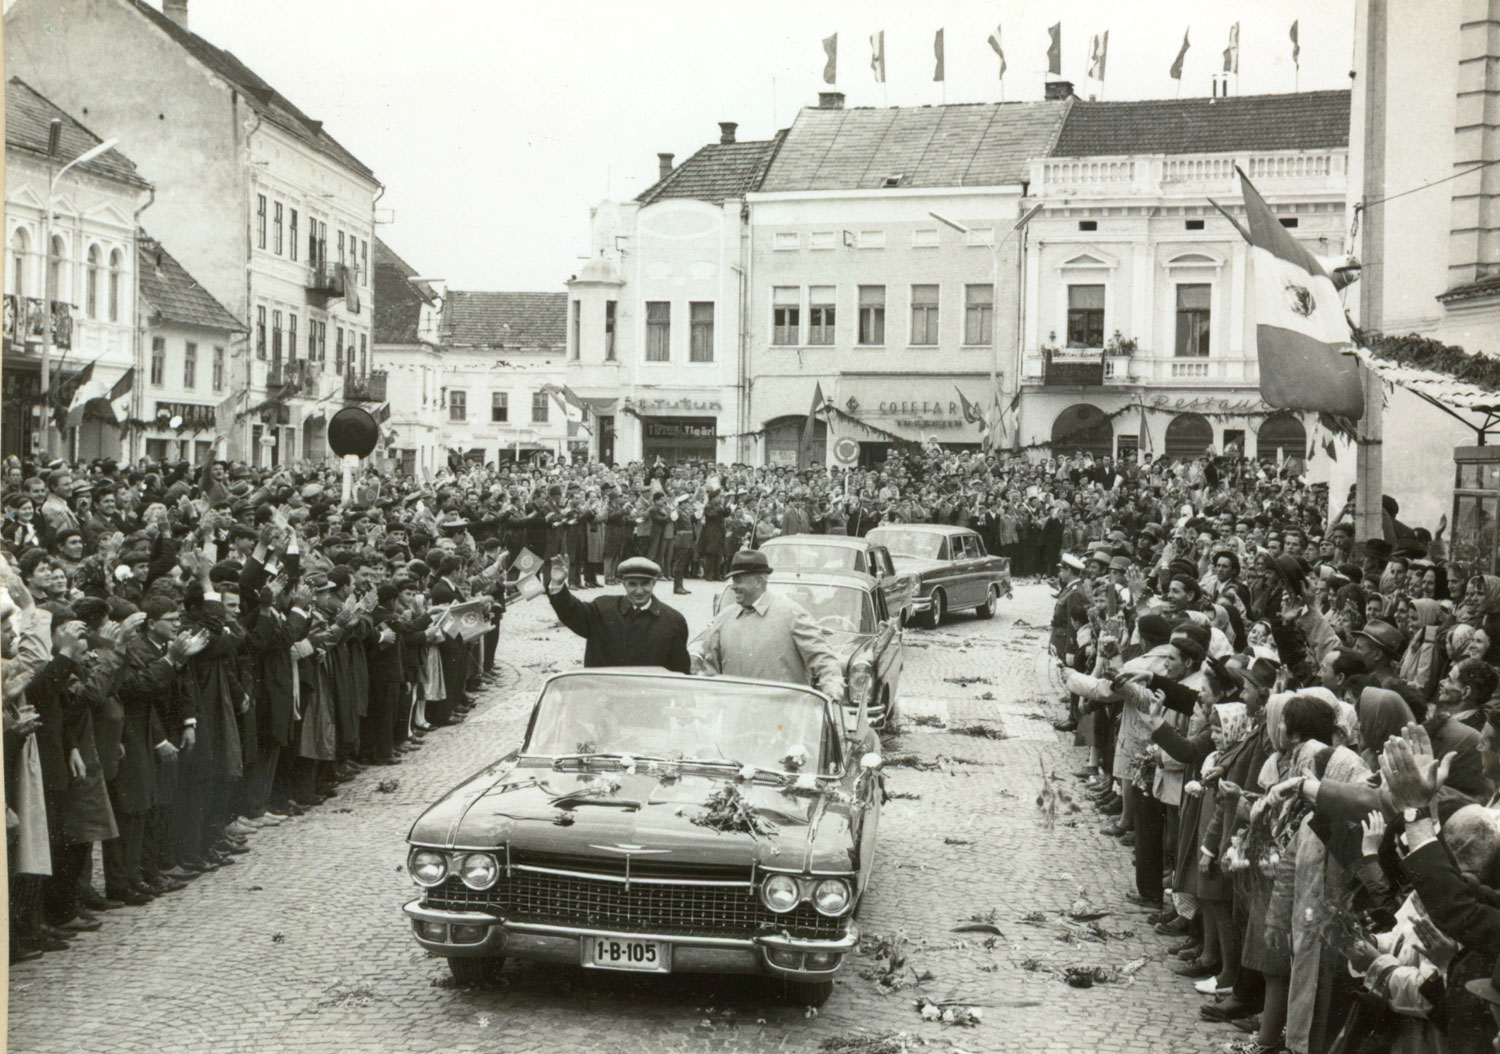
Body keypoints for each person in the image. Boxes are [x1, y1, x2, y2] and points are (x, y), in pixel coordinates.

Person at [689, 549, 844, 699]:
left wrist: (832, 685)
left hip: (782, 718)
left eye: (738, 580)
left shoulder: (791, 614)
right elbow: (709, 667)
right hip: (735, 718)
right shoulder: (723, 618)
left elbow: (823, 657)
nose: (733, 586)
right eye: (733, 581)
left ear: (759, 581)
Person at [546, 555, 690, 673]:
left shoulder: (673, 621)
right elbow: (571, 612)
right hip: (604, 698)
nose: (639, 591)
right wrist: (558, 584)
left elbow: (679, 672)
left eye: (645, 583)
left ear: (654, 583)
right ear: (623, 583)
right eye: (632, 584)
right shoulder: (601, 609)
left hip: (649, 702)